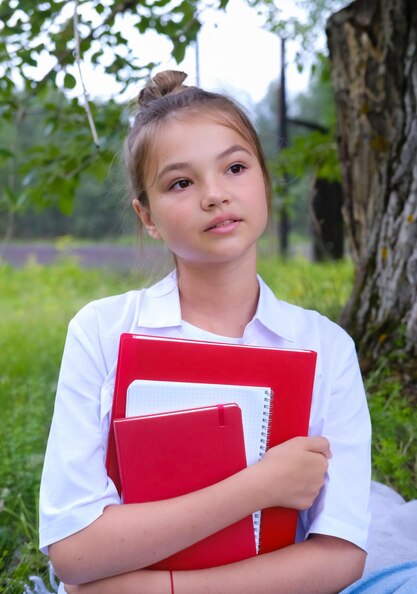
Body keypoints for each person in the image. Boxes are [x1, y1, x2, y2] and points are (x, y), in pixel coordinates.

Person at [39, 70, 372, 594]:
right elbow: (75, 552)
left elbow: (341, 554)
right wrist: (261, 486)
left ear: (263, 178)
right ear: (146, 216)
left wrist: (162, 590)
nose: (215, 195)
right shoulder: (103, 332)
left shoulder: (324, 347)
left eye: (235, 167)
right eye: (181, 182)